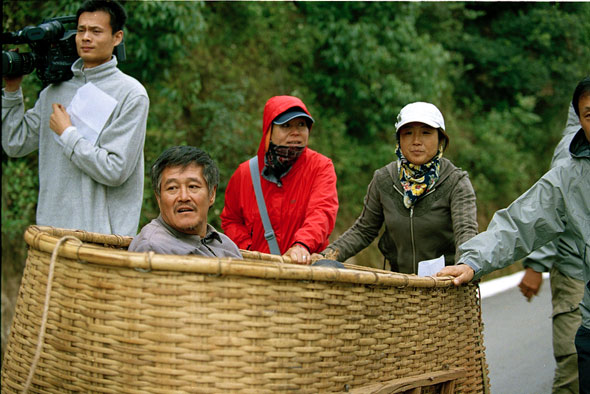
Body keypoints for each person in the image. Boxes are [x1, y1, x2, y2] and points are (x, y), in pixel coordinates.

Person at [437, 77, 590, 393]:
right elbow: (521, 221)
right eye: (589, 114)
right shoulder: (569, 176)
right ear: (579, 121)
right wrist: (473, 261)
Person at [2, 0, 149, 236]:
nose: (86, 37)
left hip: (102, 240)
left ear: (117, 37)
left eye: (96, 31)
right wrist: (12, 91)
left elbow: (115, 170)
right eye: (81, 30)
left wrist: (68, 134)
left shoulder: (131, 94)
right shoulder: (54, 91)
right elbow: (15, 143)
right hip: (50, 235)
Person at [315, 102, 478, 274]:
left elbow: (466, 232)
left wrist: (465, 267)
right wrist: (325, 257)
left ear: (441, 139)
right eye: (408, 133)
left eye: (426, 133)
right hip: (399, 285)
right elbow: (363, 230)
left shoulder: (455, 181)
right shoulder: (384, 180)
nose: (416, 141)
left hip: (445, 285)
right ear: (399, 140)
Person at [220, 95, 338, 264]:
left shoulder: (321, 167)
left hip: (304, 268)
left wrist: (302, 245)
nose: (295, 132)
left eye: (301, 125)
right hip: (257, 271)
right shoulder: (245, 173)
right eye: (286, 125)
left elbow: (322, 212)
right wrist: (251, 250)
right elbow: (231, 219)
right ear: (269, 131)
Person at [518, 103, 585, 394]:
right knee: (574, 367)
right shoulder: (573, 147)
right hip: (576, 273)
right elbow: (552, 210)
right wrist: (537, 264)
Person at [129, 146, 242, 258]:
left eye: (193, 186)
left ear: (212, 194)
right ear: (158, 197)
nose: (183, 197)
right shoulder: (152, 248)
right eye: (172, 188)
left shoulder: (227, 246)